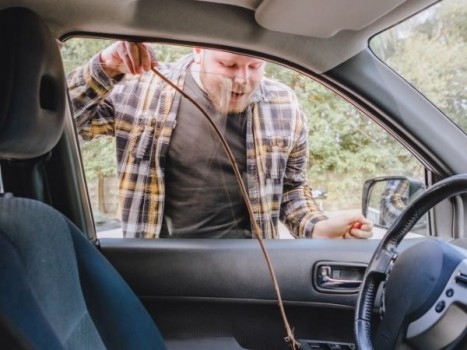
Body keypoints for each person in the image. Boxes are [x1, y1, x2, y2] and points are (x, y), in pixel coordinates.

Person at [68, 41, 373, 239]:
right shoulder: (141, 90)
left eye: (255, 66)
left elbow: (291, 190)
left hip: (249, 267)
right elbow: (65, 122)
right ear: (198, 49)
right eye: (228, 65)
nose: (242, 79)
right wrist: (105, 67)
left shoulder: (284, 104)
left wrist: (318, 228)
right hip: (157, 268)